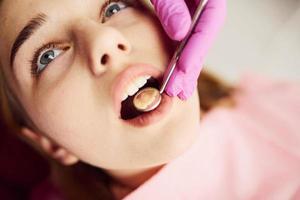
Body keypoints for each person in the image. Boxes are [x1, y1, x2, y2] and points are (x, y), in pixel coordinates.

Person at [0, 0, 299, 200]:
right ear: (47, 141)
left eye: (115, 6)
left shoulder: (272, 103)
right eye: (47, 56)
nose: (104, 39)